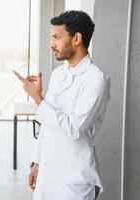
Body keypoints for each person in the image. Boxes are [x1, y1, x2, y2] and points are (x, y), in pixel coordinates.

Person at [14, 10, 111, 200]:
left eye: (57, 37)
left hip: (73, 178)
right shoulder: (59, 74)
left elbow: (73, 129)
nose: (52, 44)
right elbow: (48, 127)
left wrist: (38, 99)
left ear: (76, 38)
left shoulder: (96, 79)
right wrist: (37, 161)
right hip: (48, 173)